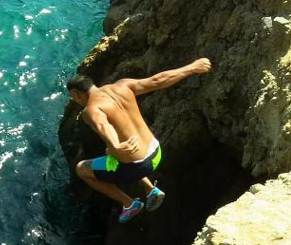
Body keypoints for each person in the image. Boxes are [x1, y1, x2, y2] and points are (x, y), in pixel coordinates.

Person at [67, 58, 212, 223]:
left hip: (139, 165)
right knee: (113, 155)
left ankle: (129, 204)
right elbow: (157, 81)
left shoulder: (90, 110)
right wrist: (192, 67)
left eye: (73, 97)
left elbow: (102, 126)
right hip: (156, 151)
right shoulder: (122, 85)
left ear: (77, 94)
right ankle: (151, 190)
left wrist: (116, 146)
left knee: (81, 169)